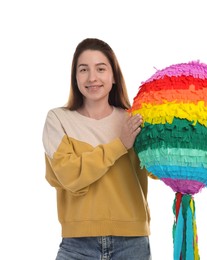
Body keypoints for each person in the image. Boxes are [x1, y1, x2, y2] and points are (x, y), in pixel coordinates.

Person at [42, 38, 152, 260]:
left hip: (133, 245)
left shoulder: (134, 119)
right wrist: (120, 145)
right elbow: (71, 175)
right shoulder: (58, 119)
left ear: (113, 77)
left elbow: (162, 166)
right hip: (77, 246)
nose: (92, 77)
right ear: (75, 77)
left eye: (100, 69)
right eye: (83, 70)